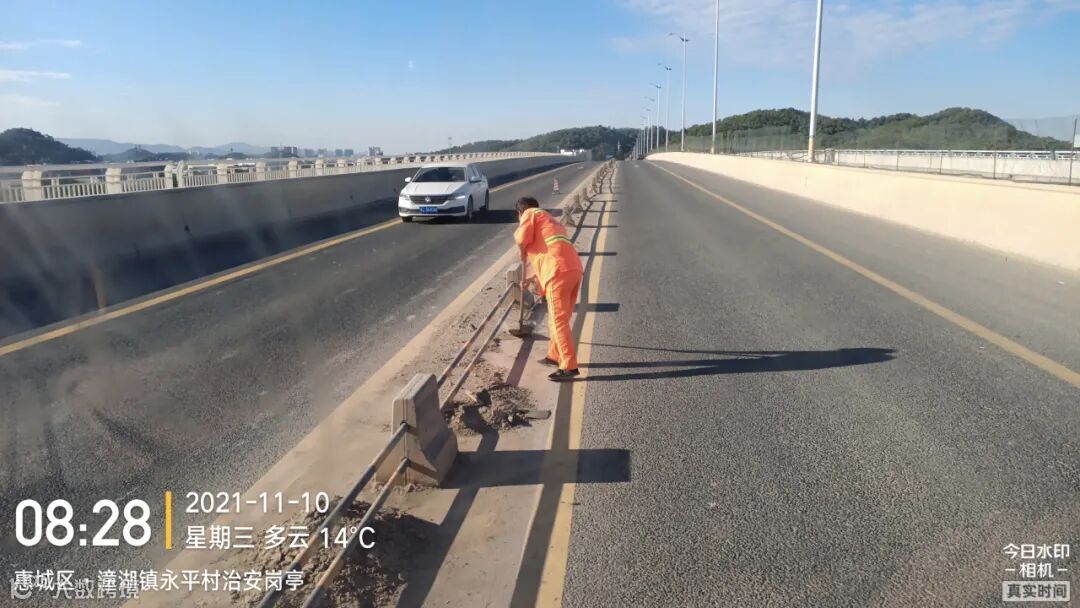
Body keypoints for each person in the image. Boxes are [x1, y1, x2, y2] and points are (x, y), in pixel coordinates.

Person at [514, 196, 583, 381]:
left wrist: (521, 251)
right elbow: (549, 252)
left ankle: (569, 366)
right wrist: (530, 278)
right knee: (560, 318)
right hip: (573, 269)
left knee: (558, 321)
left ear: (520, 212)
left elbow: (521, 238)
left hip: (557, 272)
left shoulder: (530, 212)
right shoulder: (549, 221)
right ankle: (554, 355)